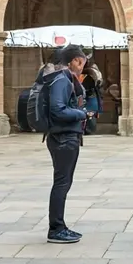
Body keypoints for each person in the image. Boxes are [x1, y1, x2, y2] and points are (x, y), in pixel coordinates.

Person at [41, 44, 93, 244]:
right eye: (82, 62)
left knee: (63, 182)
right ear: (75, 61)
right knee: (62, 183)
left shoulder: (63, 78)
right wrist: (82, 114)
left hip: (64, 137)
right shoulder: (62, 80)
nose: (82, 67)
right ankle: (56, 229)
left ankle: (59, 227)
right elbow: (58, 110)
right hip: (63, 138)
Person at [80, 60, 103, 135]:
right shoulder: (91, 74)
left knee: (90, 114)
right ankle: (87, 129)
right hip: (89, 96)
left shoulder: (90, 75)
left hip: (90, 96)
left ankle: (89, 130)